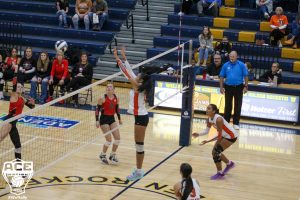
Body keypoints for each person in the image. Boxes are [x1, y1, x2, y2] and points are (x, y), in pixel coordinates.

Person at [114, 47, 150, 181]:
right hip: (140, 117)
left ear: (141, 80)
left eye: (139, 75)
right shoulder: (138, 83)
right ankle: (139, 170)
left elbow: (127, 73)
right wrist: (121, 57)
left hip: (141, 118)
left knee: (139, 145)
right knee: (138, 145)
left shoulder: (137, 86)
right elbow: (128, 71)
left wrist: (120, 60)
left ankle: (139, 171)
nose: (137, 75)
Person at [193, 104, 239, 180]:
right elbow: (207, 131)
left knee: (216, 152)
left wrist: (207, 141)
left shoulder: (218, 119)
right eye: (206, 108)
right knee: (216, 152)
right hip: (224, 135)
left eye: (209, 109)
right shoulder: (209, 119)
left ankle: (220, 173)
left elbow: (219, 136)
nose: (206, 110)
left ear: (214, 111)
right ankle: (229, 164)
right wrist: (198, 134)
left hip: (231, 136)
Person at [0, 83, 35, 160]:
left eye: (21, 87)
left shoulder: (22, 98)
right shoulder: (13, 96)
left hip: (13, 124)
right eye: (18, 87)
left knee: (18, 145)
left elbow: (32, 106)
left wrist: (32, 103)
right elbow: (15, 83)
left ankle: (18, 166)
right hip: (9, 121)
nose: (19, 88)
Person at [219, 51, 248, 130]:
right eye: (230, 56)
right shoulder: (225, 65)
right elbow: (221, 76)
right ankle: (226, 122)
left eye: (233, 56)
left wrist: (246, 86)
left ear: (236, 56)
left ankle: (236, 122)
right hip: (228, 87)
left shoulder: (241, 65)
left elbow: (246, 76)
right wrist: (221, 87)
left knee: (238, 105)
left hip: (239, 87)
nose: (231, 58)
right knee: (228, 105)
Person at [95, 83, 122, 165]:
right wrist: (97, 120)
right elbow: (97, 110)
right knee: (109, 140)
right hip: (104, 119)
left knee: (117, 139)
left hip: (112, 119)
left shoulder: (116, 98)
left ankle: (112, 155)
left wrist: (119, 119)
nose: (108, 88)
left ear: (114, 89)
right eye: (107, 87)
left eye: (110, 87)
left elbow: (117, 109)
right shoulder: (102, 98)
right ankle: (102, 155)